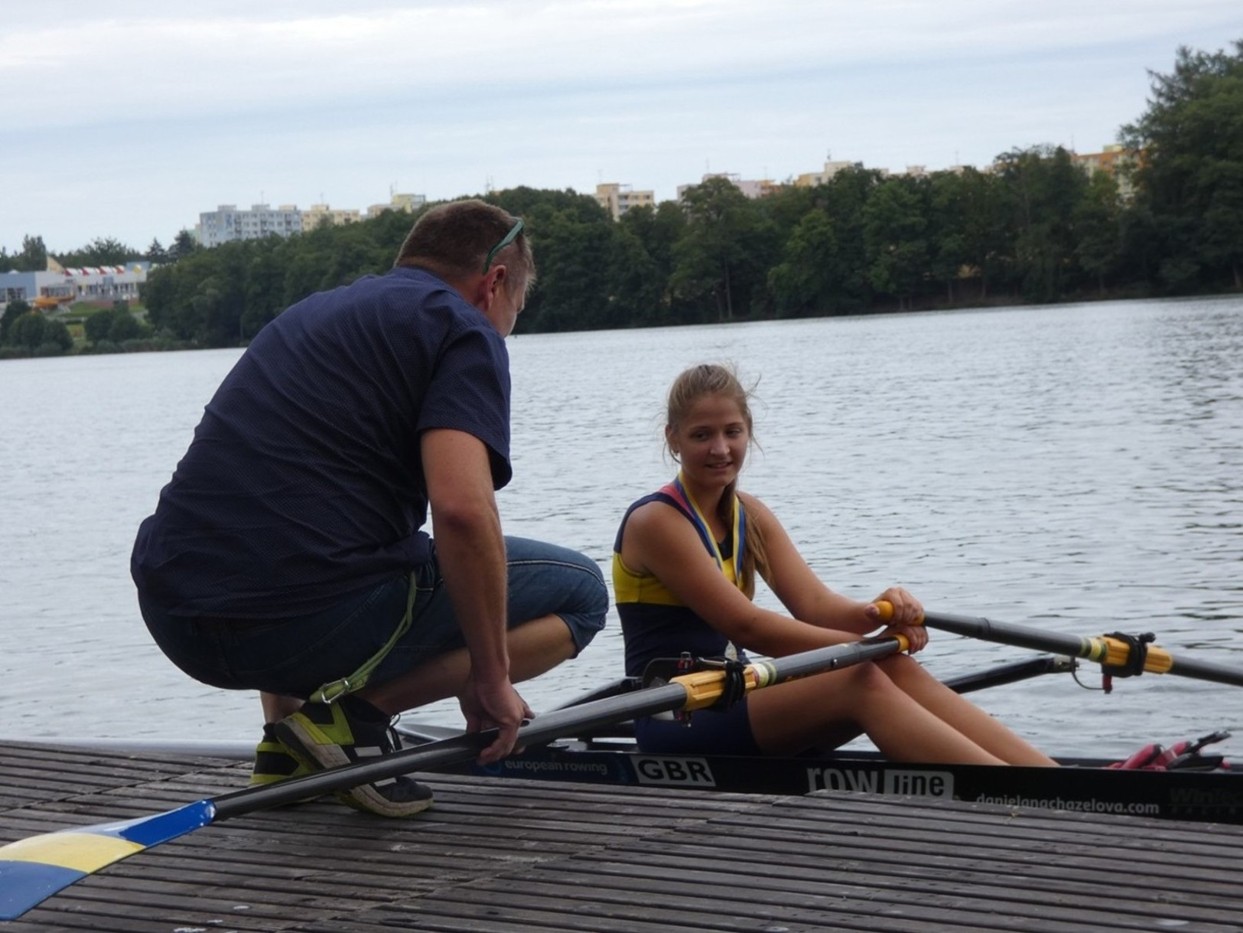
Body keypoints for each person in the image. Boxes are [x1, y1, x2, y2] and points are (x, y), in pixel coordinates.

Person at [132, 200, 609, 817]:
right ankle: (356, 721)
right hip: (296, 624)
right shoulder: (461, 328)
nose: (508, 326)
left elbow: (265, 497)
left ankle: (287, 744)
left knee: (301, 534)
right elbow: (463, 512)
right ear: (494, 283)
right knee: (582, 592)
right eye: (516, 308)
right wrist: (490, 677)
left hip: (175, 617)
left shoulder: (311, 314)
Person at [613, 363, 1056, 766]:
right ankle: (1018, 794)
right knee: (861, 676)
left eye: (732, 432)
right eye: (701, 435)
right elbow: (749, 627)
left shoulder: (750, 514)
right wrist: (871, 647)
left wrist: (879, 613)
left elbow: (816, 605)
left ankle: (1045, 778)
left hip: (732, 695)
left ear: (749, 430)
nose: (720, 449)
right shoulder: (658, 522)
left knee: (890, 665)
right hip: (674, 715)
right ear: (672, 438)